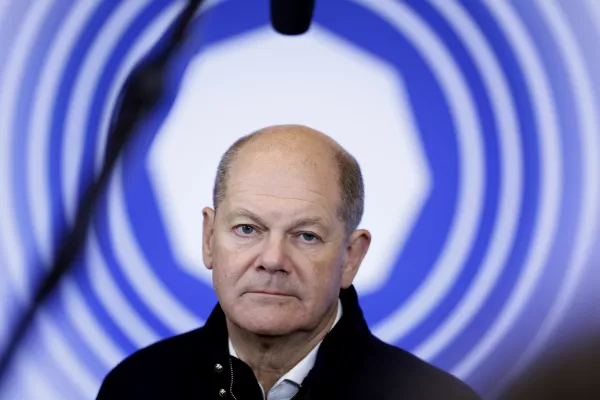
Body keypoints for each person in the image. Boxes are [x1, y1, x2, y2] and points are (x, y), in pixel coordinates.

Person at [96, 125, 480, 399]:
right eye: (247, 229)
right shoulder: (136, 387)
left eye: (306, 236)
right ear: (209, 238)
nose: (273, 260)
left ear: (351, 256)